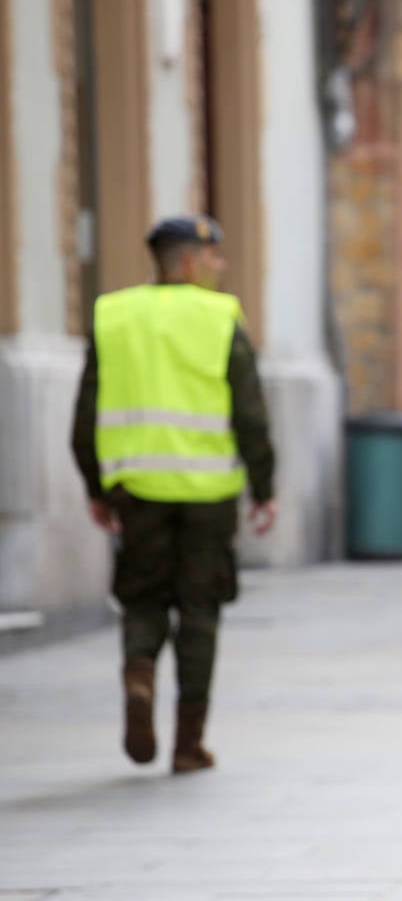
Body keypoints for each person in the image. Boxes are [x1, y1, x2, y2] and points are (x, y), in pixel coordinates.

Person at [70, 214, 276, 774]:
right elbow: (249, 411)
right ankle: (188, 743)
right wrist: (264, 486)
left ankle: (139, 675)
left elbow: (86, 411)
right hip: (208, 494)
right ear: (188, 261)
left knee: (142, 598)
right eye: (213, 258)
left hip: (136, 490)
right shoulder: (219, 318)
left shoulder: (114, 315)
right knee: (200, 611)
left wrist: (97, 485)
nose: (221, 268)